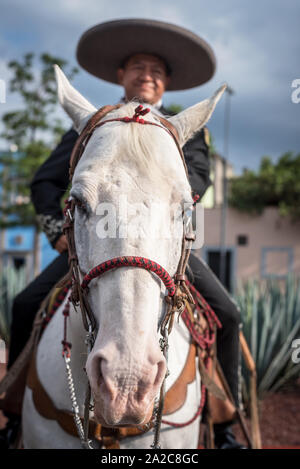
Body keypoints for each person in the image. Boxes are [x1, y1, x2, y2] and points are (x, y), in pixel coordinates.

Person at [0, 19, 243, 449]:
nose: (146, 75)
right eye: (137, 66)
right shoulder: (91, 128)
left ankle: (223, 425)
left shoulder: (188, 134)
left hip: (162, 245)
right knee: (24, 305)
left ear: (166, 83)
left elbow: (197, 181)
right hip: (97, 243)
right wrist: (59, 231)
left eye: (156, 70)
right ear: (120, 75)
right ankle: (15, 415)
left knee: (227, 312)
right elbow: (44, 183)